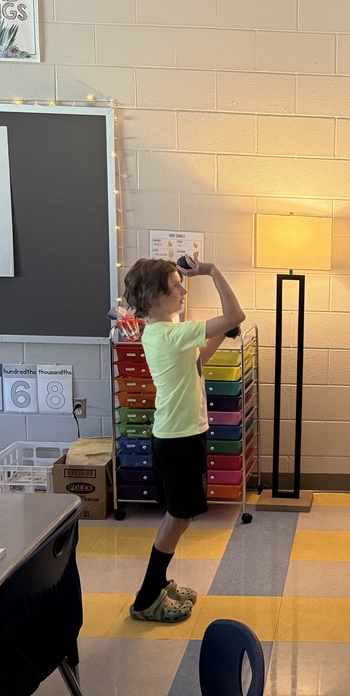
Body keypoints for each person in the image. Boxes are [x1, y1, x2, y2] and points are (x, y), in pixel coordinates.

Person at [122, 254, 245, 622]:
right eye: (175, 284)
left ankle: (158, 583)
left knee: (181, 516)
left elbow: (198, 359)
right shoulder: (170, 333)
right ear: (153, 294)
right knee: (178, 516)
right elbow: (235, 314)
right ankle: (147, 598)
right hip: (177, 439)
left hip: (181, 434)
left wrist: (220, 332)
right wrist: (212, 269)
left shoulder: (167, 331)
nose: (182, 289)